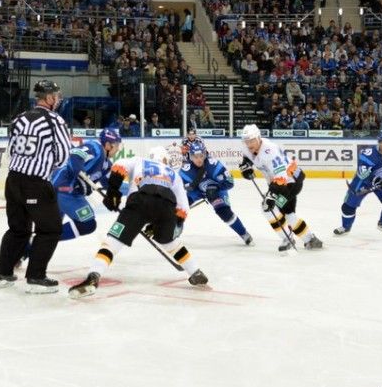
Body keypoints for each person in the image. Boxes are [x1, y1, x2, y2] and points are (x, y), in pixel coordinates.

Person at [68, 145, 208, 299]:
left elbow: (119, 166)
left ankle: (93, 277)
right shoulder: (173, 174)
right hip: (166, 207)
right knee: (169, 242)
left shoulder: (140, 161)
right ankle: (196, 271)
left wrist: (113, 192)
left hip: (139, 201)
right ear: (165, 159)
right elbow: (183, 209)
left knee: (113, 242)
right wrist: (163, 225)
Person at [0, 80, 72, 293]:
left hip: (13, 181)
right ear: (49, 97)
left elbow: (11, 149)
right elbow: (63, 155)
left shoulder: (19, 118)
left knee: (18, 229)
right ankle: (36, 277)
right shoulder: (55, 121)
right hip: (36, 183)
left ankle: (3, 274)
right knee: (51, 229)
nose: (58, 99)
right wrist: (46, 164)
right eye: (56, 95)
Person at [238, 124, 323, 252]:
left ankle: (288, 239)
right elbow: (247, 158)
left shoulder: (270, 151)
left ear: (259, 138)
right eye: (246, 141)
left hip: (290, 182)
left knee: (267, 208)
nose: (249, 144)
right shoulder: (247, 147)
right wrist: (246, 166)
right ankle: (310, 239)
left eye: (252, 140)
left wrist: (271, 196)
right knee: (288, 214)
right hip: (284, 182)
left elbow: (281, 176)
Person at [48, 128, 122, 242]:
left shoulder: (107, 165)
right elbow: (74, 155)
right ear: (108, 145)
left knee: (51, 229)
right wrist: (82, 177)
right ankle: (42, 240)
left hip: (69, 193)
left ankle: (30, 246)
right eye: (116, 145)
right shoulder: (95, 148)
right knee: (87, 224)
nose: (118, 149)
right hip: (65, 189)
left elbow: (109, 185)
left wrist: (114, 197)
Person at [334, 132, 382, 237]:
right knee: (348, 207)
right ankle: (345, 227)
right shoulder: (368, 154)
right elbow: (362, 174)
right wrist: (376, 180)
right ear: (378, 142)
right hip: (362, 182)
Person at [180, 141, 252, 245]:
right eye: (195, 157)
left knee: (224, 212)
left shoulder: (214, 165)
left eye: (201, 156)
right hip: (197, 191)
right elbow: (177, 186)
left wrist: (216, 187)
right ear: (190, 157)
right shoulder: (185, 170)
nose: (199, 159)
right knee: (180, 206)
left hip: (217, 191)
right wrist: (186, 187)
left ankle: (243, 233)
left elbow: (230, 182)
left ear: (205, 154)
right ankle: (173, 230)